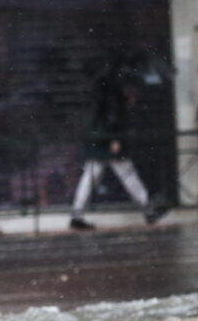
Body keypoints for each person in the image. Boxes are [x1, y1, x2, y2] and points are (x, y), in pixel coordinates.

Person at [69, 60, 167, 231]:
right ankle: (148, 209)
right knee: (128, 175)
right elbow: (113, 118)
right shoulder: (113, 92)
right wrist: (115, 139)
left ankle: (76, 215)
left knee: (90, 178)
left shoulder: (99, 89)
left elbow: (96, 117)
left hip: (97, 141)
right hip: (108, 141)